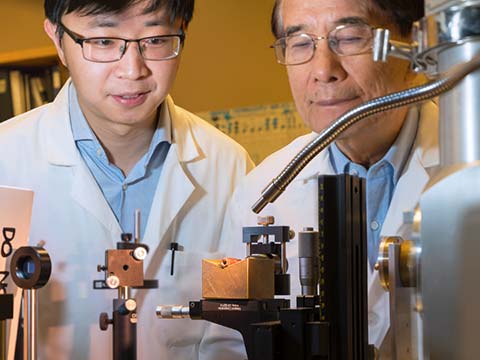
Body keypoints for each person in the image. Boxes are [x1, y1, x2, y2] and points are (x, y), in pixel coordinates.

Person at [0, 0, 254, 359]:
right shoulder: (5, 160)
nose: (133, 70)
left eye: (155, 39)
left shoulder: (229, 167)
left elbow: (234, 341)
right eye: (104, 41)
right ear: (58, 39)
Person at [221, 0, 433, 357]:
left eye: (349, 38)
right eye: (301, 43)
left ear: (414, 44)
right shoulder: (262, 188)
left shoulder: (466, 170)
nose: (324, 70)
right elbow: (227, 346)